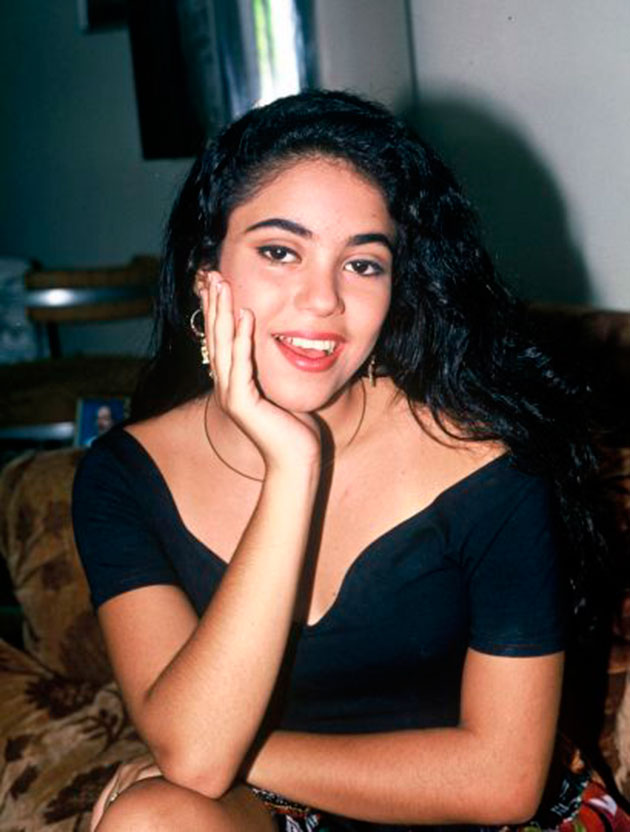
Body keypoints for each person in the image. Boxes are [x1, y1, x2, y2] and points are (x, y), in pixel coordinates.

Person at [72, 89, 624, 832]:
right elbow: (196, 759)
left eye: (363, 264)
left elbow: (503, 782)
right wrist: (291, 470)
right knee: (152, 819)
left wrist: (241, 757)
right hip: (285, 814)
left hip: (486, 820)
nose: (323, 300)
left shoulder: (485, 463)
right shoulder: (124, 476)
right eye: (279, 252)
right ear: (206, 273)